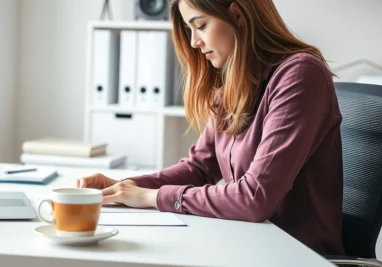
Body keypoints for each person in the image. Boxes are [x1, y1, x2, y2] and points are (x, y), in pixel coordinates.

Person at [77, 0, 344, 255]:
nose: (194, 42)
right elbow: (199, 169)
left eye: (201, 25)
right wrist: (124, 187)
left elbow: (255, 198)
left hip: (296, 255)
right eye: (189, 29)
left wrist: (152, 197)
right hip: (248, 243)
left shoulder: (299, 75)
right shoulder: (233, 83)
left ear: (238, 15)